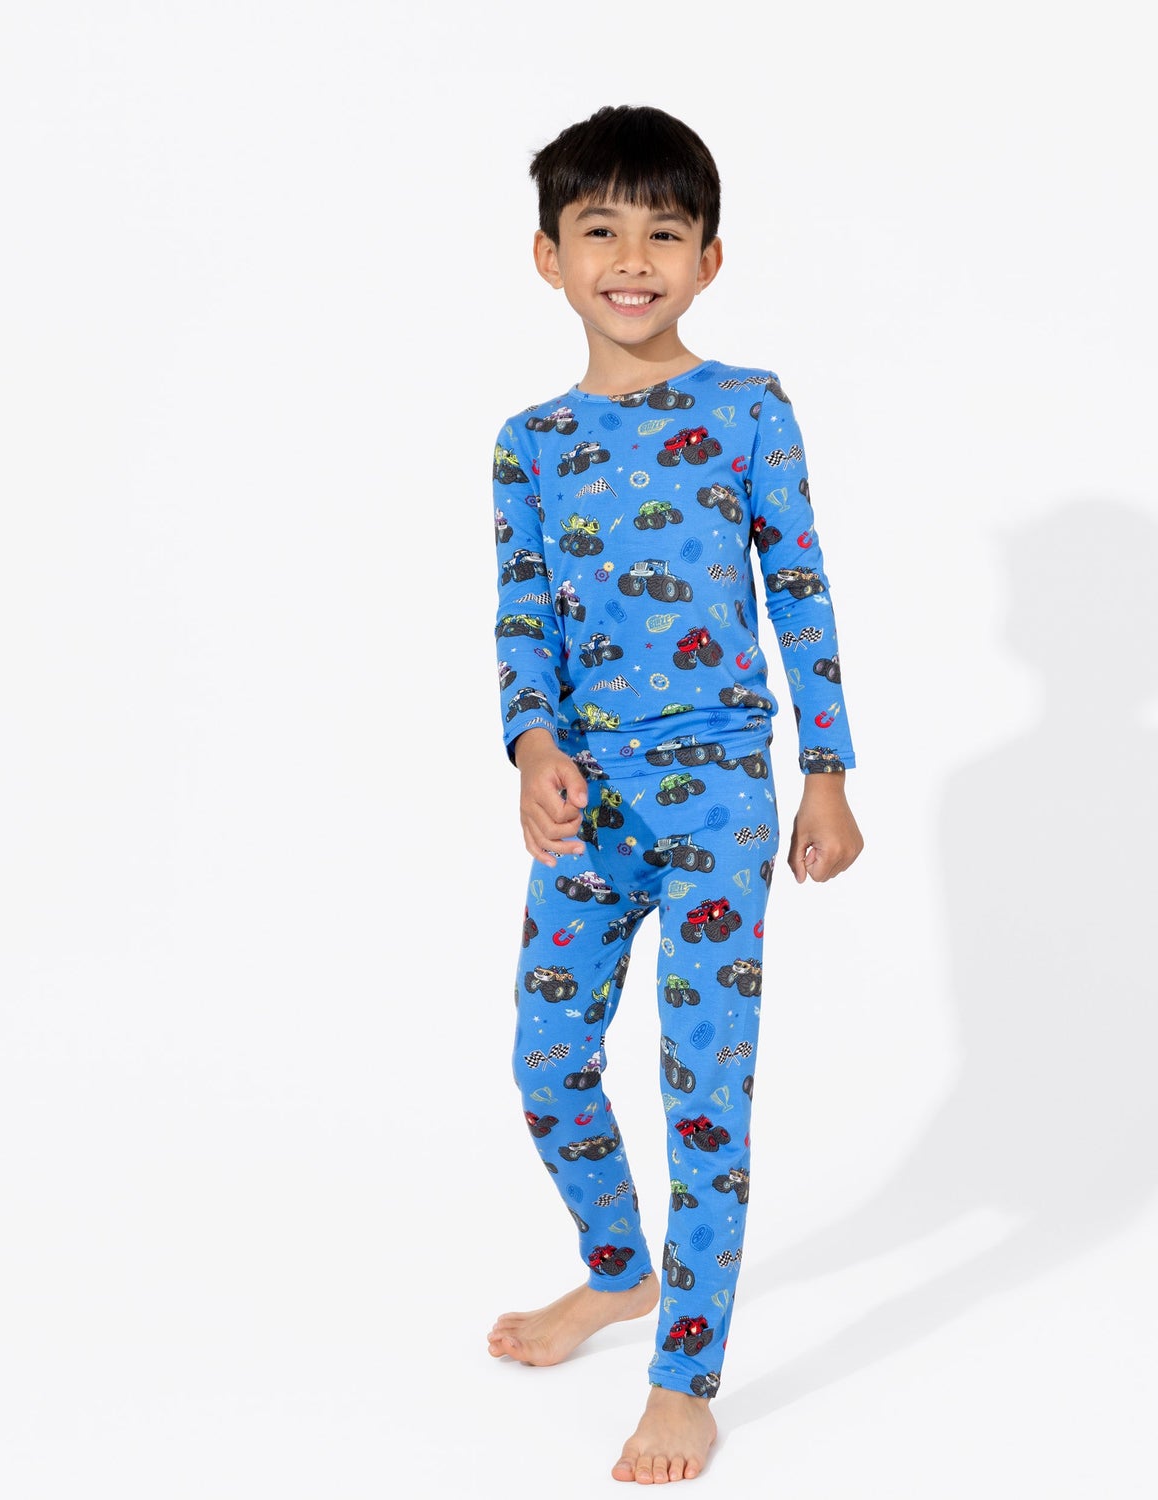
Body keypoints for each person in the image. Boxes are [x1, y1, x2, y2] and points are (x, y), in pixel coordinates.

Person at [486, 104, 865, 1484]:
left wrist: (826, 771)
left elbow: (799, 589)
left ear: (709, 258)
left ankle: (684, 1375)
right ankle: (618, 1270)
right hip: (586, 805)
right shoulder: (529, 442)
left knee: (703, 1086)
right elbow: (523, 612)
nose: (632, 259)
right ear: (550, 256)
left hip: (717, 799)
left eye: (665, 232)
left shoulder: (749, 408)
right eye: (601, 231)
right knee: (547, 1062)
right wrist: (532, 746)